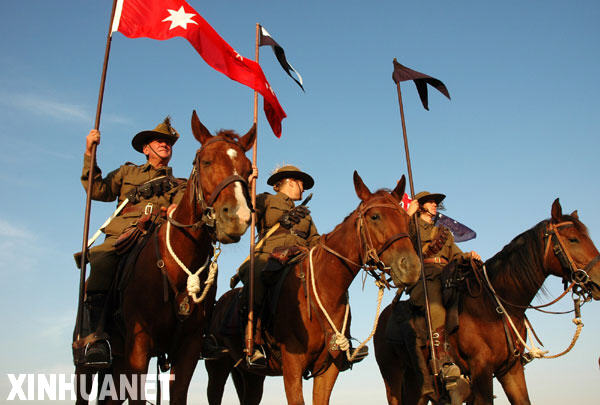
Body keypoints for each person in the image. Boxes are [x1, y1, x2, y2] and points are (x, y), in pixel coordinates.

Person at [77, 117, 185, 366]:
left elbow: (181, 210)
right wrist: (89, 152)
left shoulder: (179, 185)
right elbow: (97, 190)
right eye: (160, 141)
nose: (165, 144)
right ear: (146, 149)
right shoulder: (128, 172)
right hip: (125, 234)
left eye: (169, 142)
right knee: (102, 261)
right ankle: (96, 336)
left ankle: (193, 334)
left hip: (159, 237)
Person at [239, 165, 319, 363]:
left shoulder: (304, 213)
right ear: (291, 182)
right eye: (301, 184)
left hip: (300, 256)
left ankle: (339, 341)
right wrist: (249, 187)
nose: (303, 188)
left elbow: (315, 239)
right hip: (269, 254)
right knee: (258, 277)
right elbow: (245, 213)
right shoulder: (266, 200)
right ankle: (252, 341)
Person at [407, 191, 481, 397]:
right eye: (430, 202)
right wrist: (408, 215)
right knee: (436, 307)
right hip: (426, 277)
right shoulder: (411, 226)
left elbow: (455, 254)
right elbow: (402, 241)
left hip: (447, 273)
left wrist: (469, 256)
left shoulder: (443, 232)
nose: (434, 205)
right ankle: (442, 359)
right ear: (420, 206)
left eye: (435, 203)